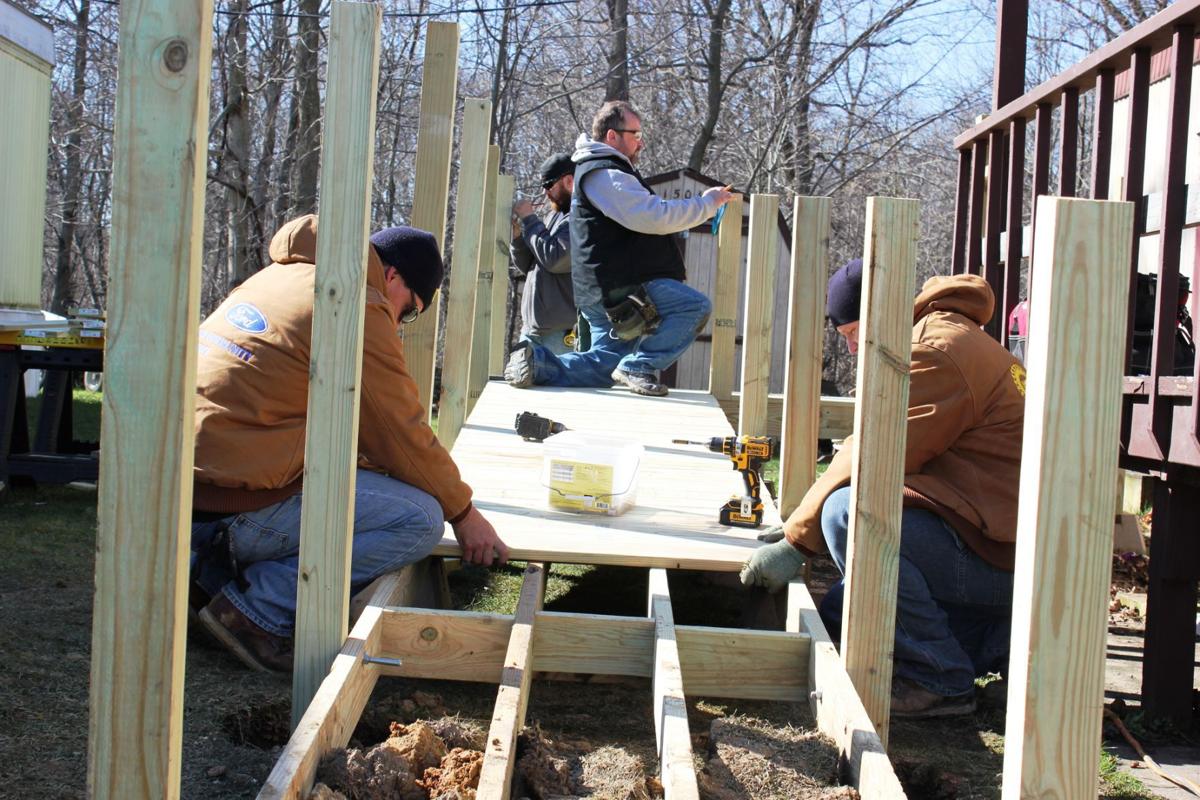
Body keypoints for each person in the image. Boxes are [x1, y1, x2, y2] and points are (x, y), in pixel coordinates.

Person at [190, 215, 509, 672]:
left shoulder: (281, 277)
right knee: (420, 518)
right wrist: (464, 513)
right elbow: (401, 431)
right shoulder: (352, 305)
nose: (401, 324)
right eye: (411, 309)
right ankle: (256, 610)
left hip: (187, 491)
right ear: (393, 276)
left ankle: (210, 571)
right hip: (233, 505)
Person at [741, 260, 1026, 718]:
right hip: (995, 546)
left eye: (854, 333)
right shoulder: (944, 335)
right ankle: (991, 643)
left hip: (1001, 562)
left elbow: (877, 453)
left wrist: (797, 541)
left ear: (879, 318)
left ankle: (942, 679)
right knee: (839, 612)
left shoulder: (937, 350)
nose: (852, 349)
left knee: (848, 515)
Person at [503, 100, 733, 397]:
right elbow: (654, 215)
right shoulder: (605, 173)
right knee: (693, 307)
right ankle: (639, 366)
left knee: (600, 367)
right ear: (612, 136)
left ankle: (538, 365)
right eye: (635, 134)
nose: (641, 142)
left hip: (600, 291)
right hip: (622, 287)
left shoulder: (597, 170)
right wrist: (706, 204)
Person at [509, 152, 577, 356]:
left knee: (556, 388)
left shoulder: (580, 218)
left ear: (569, 180)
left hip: (559, 336)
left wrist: (530, 219)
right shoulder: (553, 217)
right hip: (532, 330)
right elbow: (529, 265)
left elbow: (556, 259)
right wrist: (519, 238)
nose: (546, 192)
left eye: (549, 185)